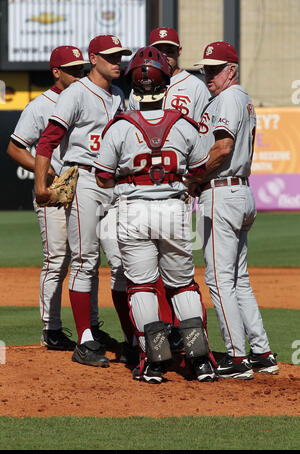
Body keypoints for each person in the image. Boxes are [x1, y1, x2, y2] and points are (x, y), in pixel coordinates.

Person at [94, 46, 217, 384]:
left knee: (142, 288)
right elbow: (202, 167)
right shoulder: (183, 124)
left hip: (132, 211)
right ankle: (200, 361)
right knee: (181, 286)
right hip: (174, 210)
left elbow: (103, 176)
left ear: (133, 87)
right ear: (168, 83)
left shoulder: (119, 126)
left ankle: (154, 363)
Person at [34, 35, 136, 367]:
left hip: (117, 183)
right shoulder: (76, 92)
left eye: (120, 56)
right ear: (93, 58)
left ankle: (132, 338)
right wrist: (40, 185)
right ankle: (85, 341)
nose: (117, 61)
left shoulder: (120, 96)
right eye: (110, 57)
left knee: (123, 262)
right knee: (85, 260)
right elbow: (47, 141)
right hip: (87, 179)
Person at [189, 41, 279, 379]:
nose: (208, 74)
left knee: (219, 278)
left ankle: (237, 358)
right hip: (241, 192)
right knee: (240, 279)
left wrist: (193, 177)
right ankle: (262, 352)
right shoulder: (242, 99)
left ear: (232, 70)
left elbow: (223, 147)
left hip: (222, 192)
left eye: (215, 69)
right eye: (206, 69)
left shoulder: (228, 97)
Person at [128, 27, 211, 351]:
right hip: (161, 188)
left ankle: (171, 342)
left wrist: (194, 181)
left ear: (178, 49)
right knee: (162, 274)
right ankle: (172, 339)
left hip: (174, 183)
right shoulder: (140, 87)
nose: (167, 52)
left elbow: (202, 132)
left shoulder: (194, 85)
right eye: (160, 48)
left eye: (170, 48)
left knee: (169, 273)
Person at [7, 46, 91, 351]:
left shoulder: (89, 97)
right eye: (72, 69)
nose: (79, 73)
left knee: (86, 259)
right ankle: (51, 328)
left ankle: (90, 328)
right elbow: (15, 148)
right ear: (56, 72)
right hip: (55, 192)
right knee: (57, 259)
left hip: (86, 189)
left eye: (81, 68)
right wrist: (48, 170)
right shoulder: (39, 106)